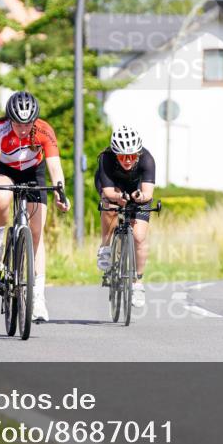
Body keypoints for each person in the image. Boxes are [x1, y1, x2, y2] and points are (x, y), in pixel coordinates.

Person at [0, 91, 70, 322]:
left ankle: (38, 297)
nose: (22, 128)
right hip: (6, 172)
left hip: (33, 172)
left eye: (27, 123)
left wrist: (61, 193)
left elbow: (55, 168)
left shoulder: (44, 130)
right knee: (1, 197)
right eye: (18, 123)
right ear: (10, 119)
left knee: (37, 232)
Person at [94, 125, 156, 308]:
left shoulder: (147, 159)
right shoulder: (106, 158)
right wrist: (118, 197)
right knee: (110, 206)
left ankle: (138, 283)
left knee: (139, 236)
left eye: (132, 156)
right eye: (122, 156)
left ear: (138, 154)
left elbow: (148, 193)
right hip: (113, 187)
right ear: (115, 154)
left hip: (138, 191)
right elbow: (108, 191)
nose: (128, 160)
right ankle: (105, 247)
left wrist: (139, 197)